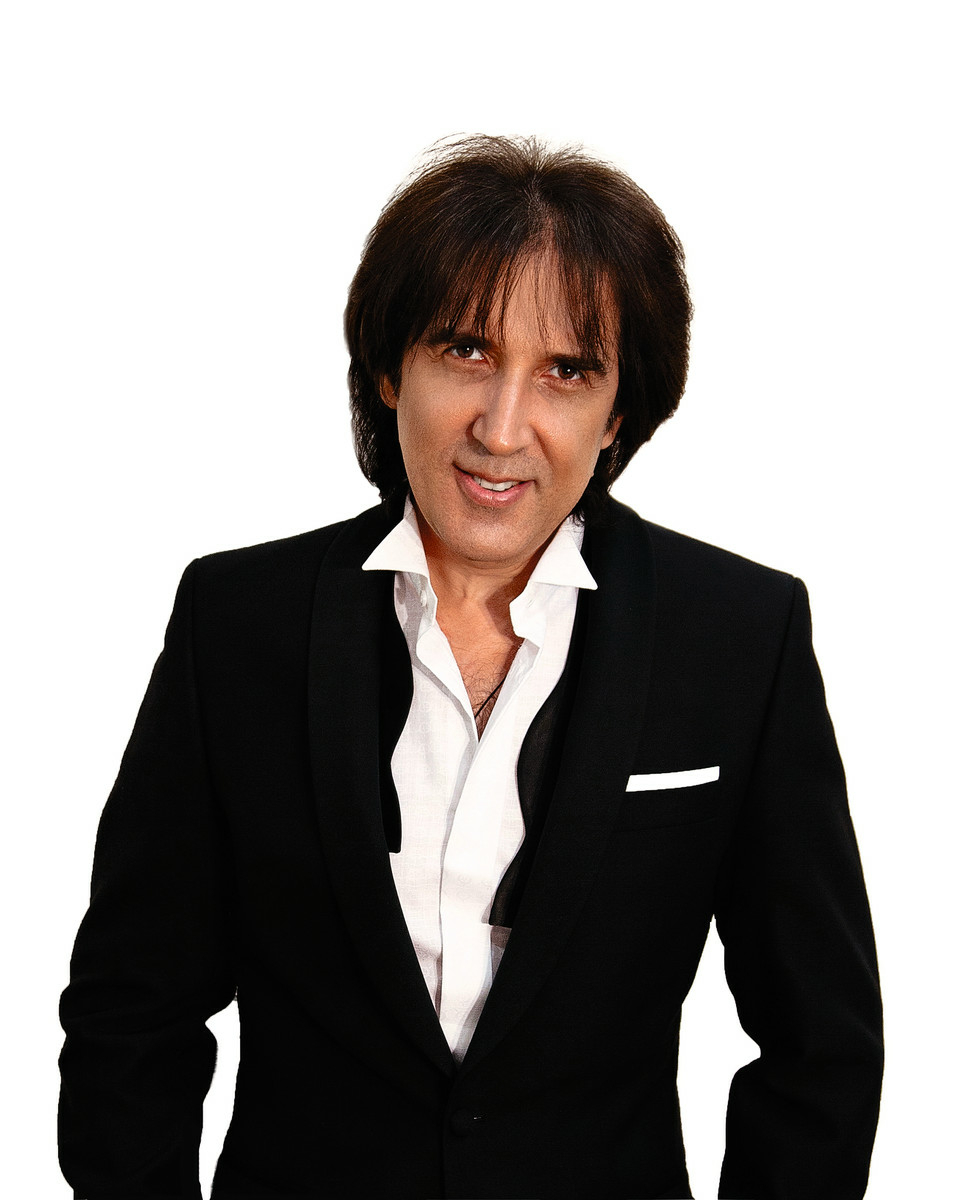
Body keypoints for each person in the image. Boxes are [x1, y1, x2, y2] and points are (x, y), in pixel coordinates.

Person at [59, 136, 883, 1199]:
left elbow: (820, 1043)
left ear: (617, 412)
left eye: (566, 372)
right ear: (388, 367)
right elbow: (133, 1010)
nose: (501, 428)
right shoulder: (238, 623)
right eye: (465, 351)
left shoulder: (736, 634)